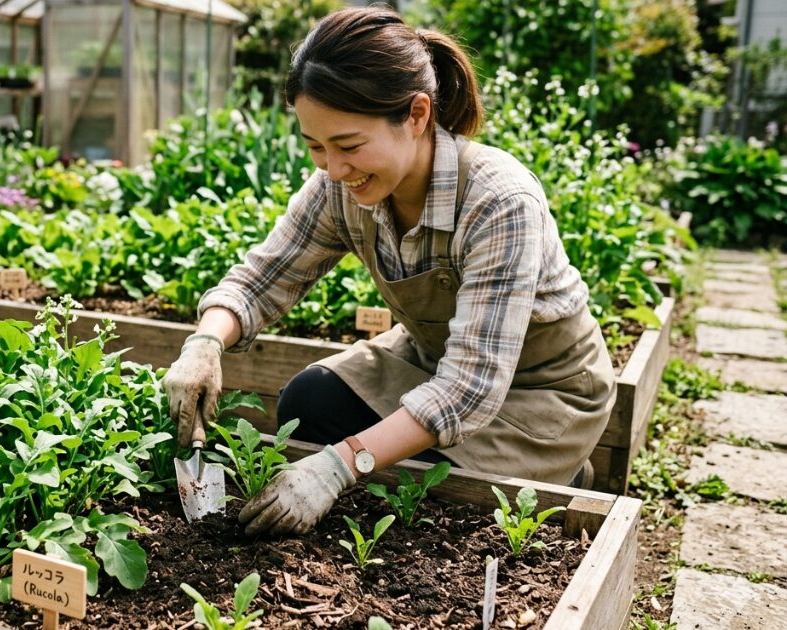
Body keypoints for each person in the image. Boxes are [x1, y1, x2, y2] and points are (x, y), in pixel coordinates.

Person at [161, 6, 615, 537]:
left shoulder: (499, 202)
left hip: (541, 392)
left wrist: (336, 467)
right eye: (316, 147)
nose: (333, 168)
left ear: (417, 114)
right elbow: (264, 278)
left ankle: (564, 471)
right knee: (309, 402)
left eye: (349, 145)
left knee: (437, 499)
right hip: (429, 361)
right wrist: (206, 344)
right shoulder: (342, 186)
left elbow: (468, 389)